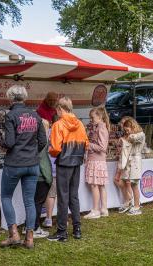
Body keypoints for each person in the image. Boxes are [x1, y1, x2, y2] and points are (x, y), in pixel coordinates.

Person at [0, 85, 47, 249]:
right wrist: (32, 153)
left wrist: (1, 142)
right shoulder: (36, 116)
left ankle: (14, 235)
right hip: (32, 164)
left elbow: (10, 142)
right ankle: (30, 238)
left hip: (14, 163)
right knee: (29, 202)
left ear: (10, 98)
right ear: (24, 97)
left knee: (6, 196)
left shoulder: (11, 115)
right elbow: (43, 141)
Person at [47, 97, 89, 242]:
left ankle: (62, 232)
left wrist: (52, 152)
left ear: (60, 109)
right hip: (76, 162)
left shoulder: (58, 125)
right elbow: (86, 144)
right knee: (73, 196)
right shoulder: (80, 124)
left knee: (63, 198)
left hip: (63, 163)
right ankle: (77, 229)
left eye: (57, 110)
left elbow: (55, 148)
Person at [84, 107, 110, 219]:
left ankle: (95, 210)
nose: (91, 119)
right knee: (100, 185)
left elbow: (103, 147)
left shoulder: (101, 128)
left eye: (92, 117)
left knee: (95, 185)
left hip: (96, 160)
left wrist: (89, 145)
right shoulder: (98, 127)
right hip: (97, 160)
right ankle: (104, 209)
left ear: (100, 117)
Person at [118, 118, 145, 215]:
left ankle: (137, 206)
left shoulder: (140, 134)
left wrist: (128, 136)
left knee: (134, 184)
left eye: (127, 129)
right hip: (129, 161)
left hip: (135, 162)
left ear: (133, 127)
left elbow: (135, 137)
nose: (126, 132)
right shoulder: (129, 136)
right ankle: (129, 202)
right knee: (126, 181)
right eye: (125, 130)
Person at [32, 119, 53, 238]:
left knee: (32, 202)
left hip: (32, 176)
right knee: (38, 203)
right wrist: (49, 179)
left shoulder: (31, 141)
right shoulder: (42, 143)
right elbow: (43, 163)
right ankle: (34, 228)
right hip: (41, 177)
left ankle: (29, 226)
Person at [113, 116, 134, 213]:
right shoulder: (122, 135)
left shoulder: (131, 136)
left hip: (127, 162)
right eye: (121, 123)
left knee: (127, 182)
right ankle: (129, 200)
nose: (122, 125)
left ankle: (129, 202)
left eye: (124, 123)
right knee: (117, 180)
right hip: (121, 161)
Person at [42, 116, 59, 228]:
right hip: (58, 166)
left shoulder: (45, 133)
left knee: (50, 194)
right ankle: (55, 217)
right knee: (56, 194)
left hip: (47, 167)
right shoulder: (59, 132)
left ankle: (48, 218)